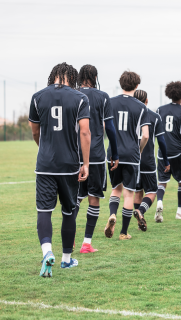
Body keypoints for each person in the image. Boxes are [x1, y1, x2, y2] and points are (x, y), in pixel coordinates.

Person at [29, 62, 91, 276]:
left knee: (44, 211)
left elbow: (35, 132)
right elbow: (84, 133)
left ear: (53, 76)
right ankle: (66, 259)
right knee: (68, 212)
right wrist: (85, 163)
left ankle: (47, 251)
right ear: (71, 78)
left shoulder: (37, 97)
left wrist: (44, 150)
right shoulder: (80, 98)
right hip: (69, 165)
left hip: (45, 165)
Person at [75, 64, 119, 253]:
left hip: (73, 156)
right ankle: (86, 243)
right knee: (94, 199)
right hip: (96, 157)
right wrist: (114, 153)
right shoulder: (102, 97)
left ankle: (69, 239)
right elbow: (110, 128)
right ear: (95, 77)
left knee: (74, 199)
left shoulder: (72, 94)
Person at [104, 71, 150, 240]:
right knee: (129, 194)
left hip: (113, 153)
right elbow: (145, 135)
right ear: (137, 86)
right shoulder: (141, 107)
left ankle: (112, 215)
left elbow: (104, 127)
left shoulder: (109, 102)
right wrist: (139, 150)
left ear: (120, 83)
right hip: (131, 154)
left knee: (116, 189)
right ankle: (123, 232)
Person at [132, 90, 170, 229]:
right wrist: (166, 161)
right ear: (146, 101)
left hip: (132, 159)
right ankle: (140, 211)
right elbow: (162, 142)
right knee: (152, 191)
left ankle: (139, 219)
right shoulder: (154, 116)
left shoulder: (130, 114)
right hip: (147, 160)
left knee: (137, 191)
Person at [156, 81, 181, 220]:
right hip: (178, 151)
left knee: (162, 181)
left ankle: (159, 202)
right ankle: (179, 212)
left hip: (162, 151)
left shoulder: (160, 109)